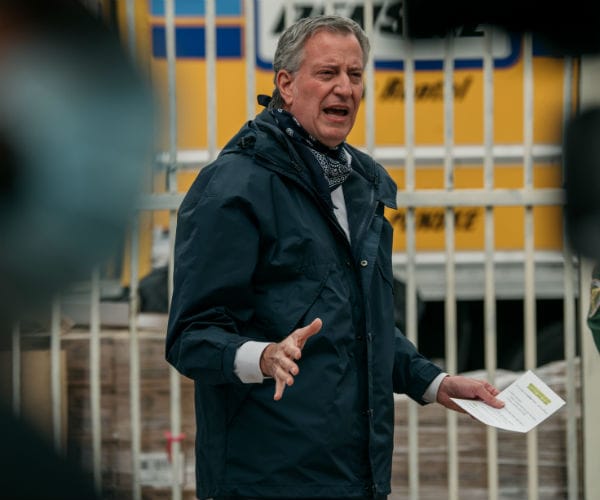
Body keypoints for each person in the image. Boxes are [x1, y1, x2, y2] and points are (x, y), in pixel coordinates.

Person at [166, 14, 504, 500]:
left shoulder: (361, 184)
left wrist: (435, 382)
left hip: (356, 478)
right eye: (327, 73)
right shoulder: (233, 186)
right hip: (265, 481)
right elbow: (191, 337)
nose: (344, 88)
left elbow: (363, 327)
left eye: (355, 74)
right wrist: (264, 357)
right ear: (286, 85)